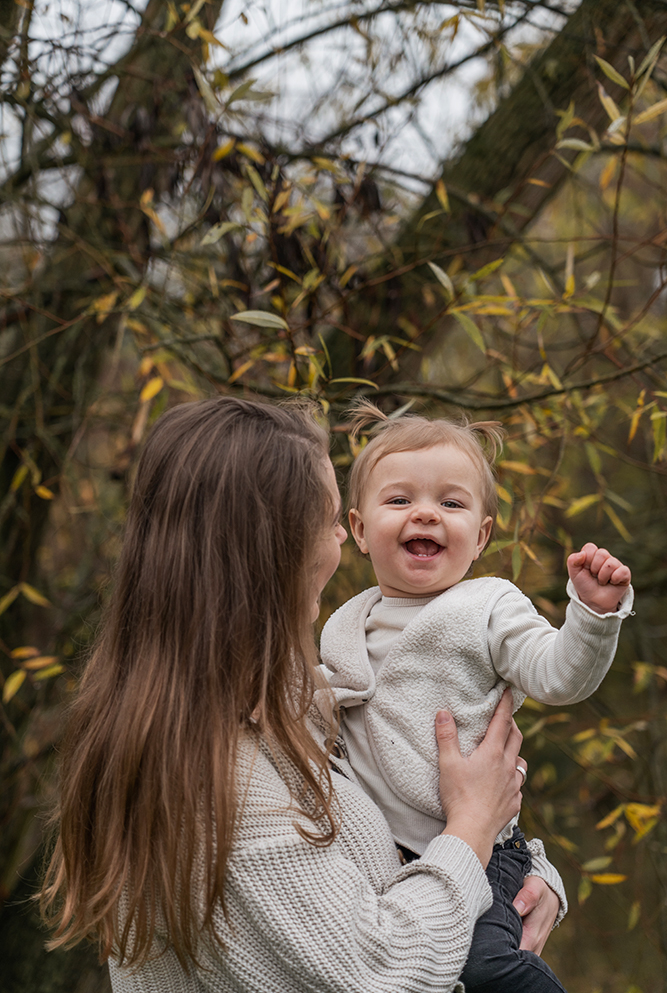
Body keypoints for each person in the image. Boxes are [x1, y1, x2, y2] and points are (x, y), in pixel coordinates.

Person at [41, 396, 562, 993]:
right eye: (331, 519)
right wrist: (472, 829)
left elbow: (404, 809)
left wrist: (528, 874)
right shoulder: (220, 784)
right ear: (273, 550)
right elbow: (381, 973)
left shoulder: (287, 705)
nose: (344, 536)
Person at [320, 401, 634, 993]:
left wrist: (591, 616)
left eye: (452, 503)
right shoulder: (344, 625)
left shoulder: (488, 607)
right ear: (359, 530)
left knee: (489, 970)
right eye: (399, 500)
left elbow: (558, 675)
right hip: (382, 864)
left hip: (481, 853)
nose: (426, 514)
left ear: (482, 535)